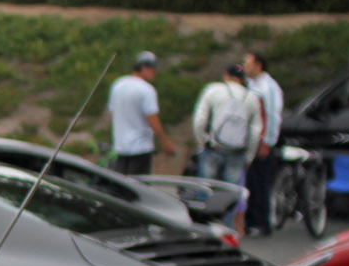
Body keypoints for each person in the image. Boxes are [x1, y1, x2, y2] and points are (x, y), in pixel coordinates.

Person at [191, 63, 263, 197]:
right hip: (237, 152)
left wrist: (202, 139)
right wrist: (250, 155)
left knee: (204, 190)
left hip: (213, 148)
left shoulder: (213, 90)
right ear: (242, 79)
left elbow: (199, 119)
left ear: (226, 75)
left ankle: (202, 216)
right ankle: (226, 217)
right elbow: (255, 132)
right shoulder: (252, 99)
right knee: (230, 196)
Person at [107, 50, 175, 176]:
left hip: (121, 146)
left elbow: (112, 112)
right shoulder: (147, 90)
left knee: (121, 186)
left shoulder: (117, 85)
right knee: (139, 186)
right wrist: (164, 142)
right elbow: (152, 118)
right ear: (144, 68)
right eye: (153, 68)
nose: (155, 72)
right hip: (140, 147)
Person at [242, 50, 285, 236]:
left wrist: (267, 141)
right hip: (250, 140)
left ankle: (262, 222)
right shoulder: (251, 84)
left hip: (262, 141)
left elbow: (272, 115)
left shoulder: (269, 87)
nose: (245, 67)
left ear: (258, 65)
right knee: (250, 181)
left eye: (248, 64)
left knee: (261, 181)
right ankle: (249, 219)